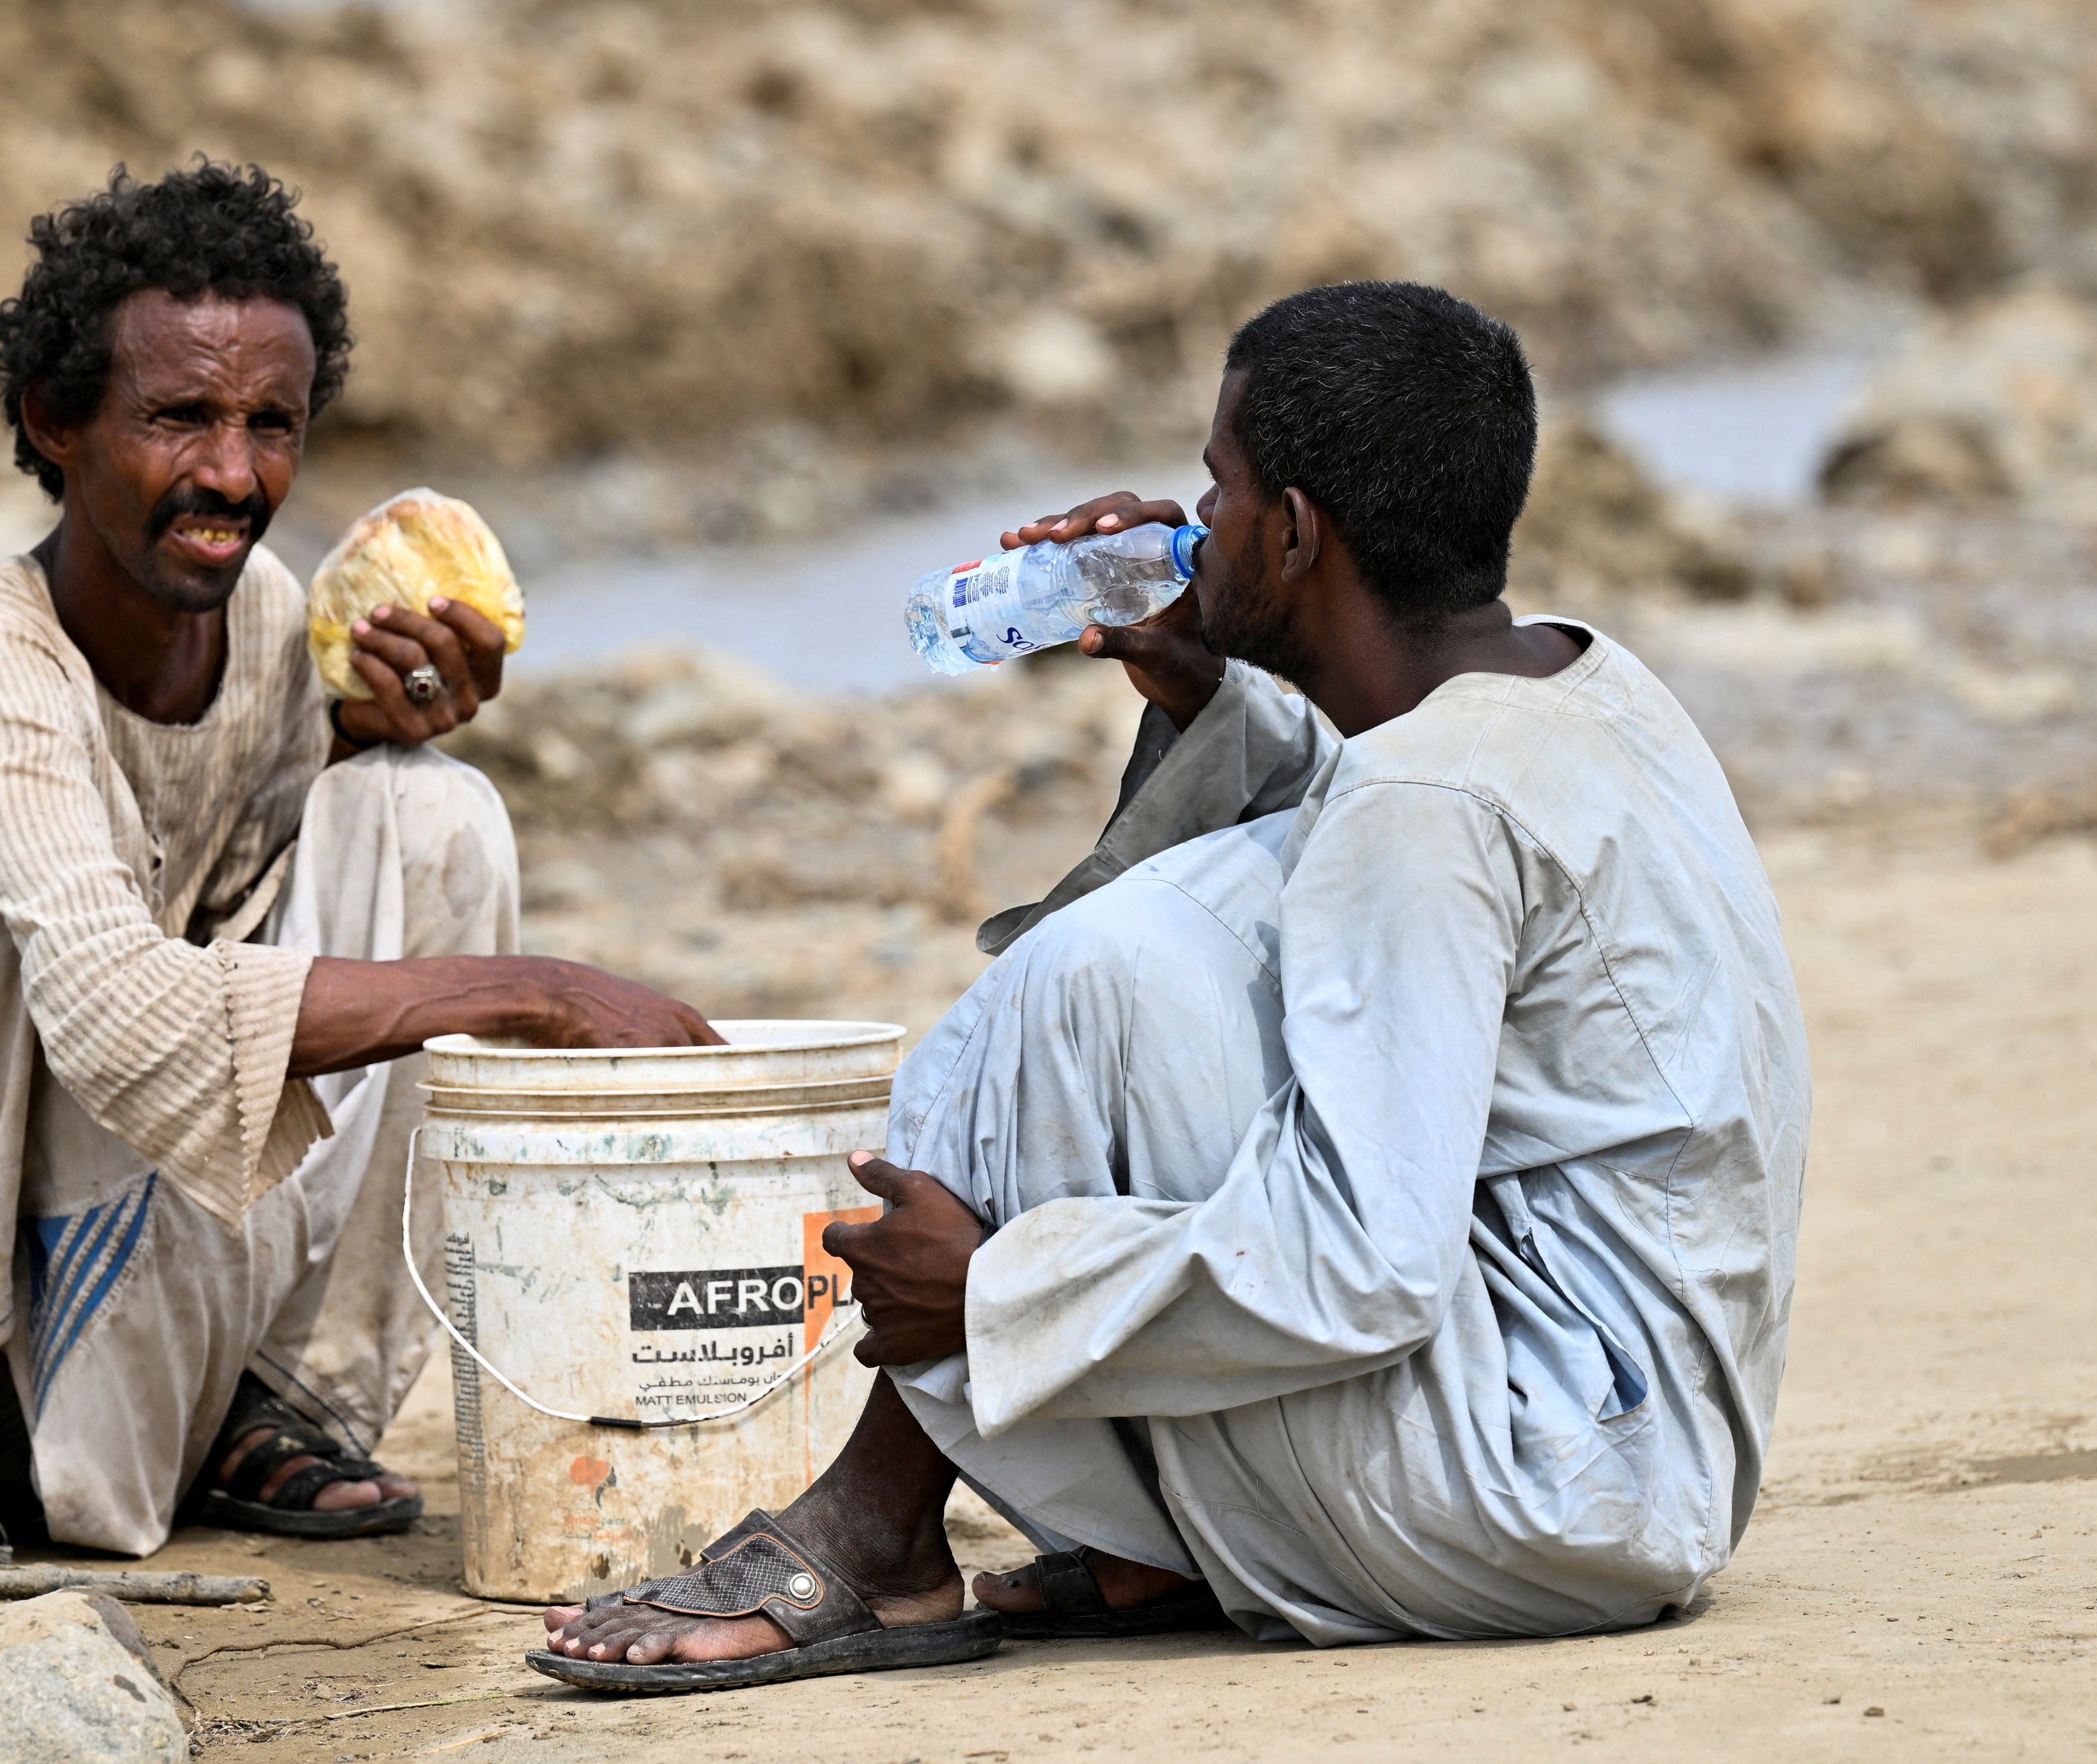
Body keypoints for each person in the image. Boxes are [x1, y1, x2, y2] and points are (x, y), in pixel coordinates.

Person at [533, 280, 1811, 1689]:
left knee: (1092, 976)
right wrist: (1212, 692)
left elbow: (1369, 1266)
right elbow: (1347, 867)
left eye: (1220, 486)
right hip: (1642, 1444)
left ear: (1296, 531)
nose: (1193, 522)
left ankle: (876, 1533)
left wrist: (989, 1294)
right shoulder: (1568, 684)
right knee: (1150, 953)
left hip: (1539, 1485)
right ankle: (1140, 1546)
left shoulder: (1427, 798)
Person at [0, 161, 713, 1569]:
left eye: (269, 425)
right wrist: (526, 990)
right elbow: (115, 1010)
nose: (232, 474)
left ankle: (278, 1393)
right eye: (178, 418)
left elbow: (227, 851)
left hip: (108, 1187)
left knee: (439, 811)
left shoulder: (267, 619)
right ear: (55, 423)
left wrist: (364, 732)